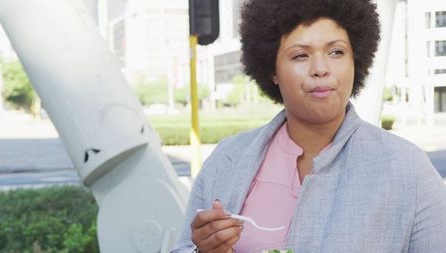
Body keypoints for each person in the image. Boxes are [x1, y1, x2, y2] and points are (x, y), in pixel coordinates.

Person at [172, 0, 446, 252]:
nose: (320, 68)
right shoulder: (226, 160)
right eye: (301, 55)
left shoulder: (406, 169)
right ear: (272, 70)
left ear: (356, 60)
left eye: (336, 52)